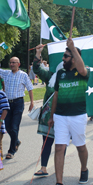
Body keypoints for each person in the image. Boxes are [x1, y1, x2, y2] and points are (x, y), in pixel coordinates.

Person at [48, 38, 89, 185]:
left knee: (80, 146)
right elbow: (56, 96)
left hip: (78, 115)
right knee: (59, 147)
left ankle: (84, 169)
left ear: (74, 58)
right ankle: (59, 182)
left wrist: (73, 48)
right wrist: (52, 116)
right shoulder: (61, 73)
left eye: (66, 56)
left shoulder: (82, 73)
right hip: (60, 116)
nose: (63, 59)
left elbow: (83, 69)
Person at [0, 47, 34, 159]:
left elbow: (30, 88)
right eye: (10, 62)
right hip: (7, 104)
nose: (11, 64)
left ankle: (12, 150)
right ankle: (17, 141)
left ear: (18, 64)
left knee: (14, 127)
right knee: (8, 127)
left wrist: (32, 102)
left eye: (14, 62)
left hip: (18, 103)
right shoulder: (6, 73)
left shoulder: (23, 75)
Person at [33, 44, 58, 177]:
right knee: (46, 142)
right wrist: (38, 53)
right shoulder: (50, 76)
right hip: (48, 118)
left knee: (61, 144)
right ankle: (43, 167)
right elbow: (36, 69)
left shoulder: (73, 77)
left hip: (63, 117)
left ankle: (60, 167)